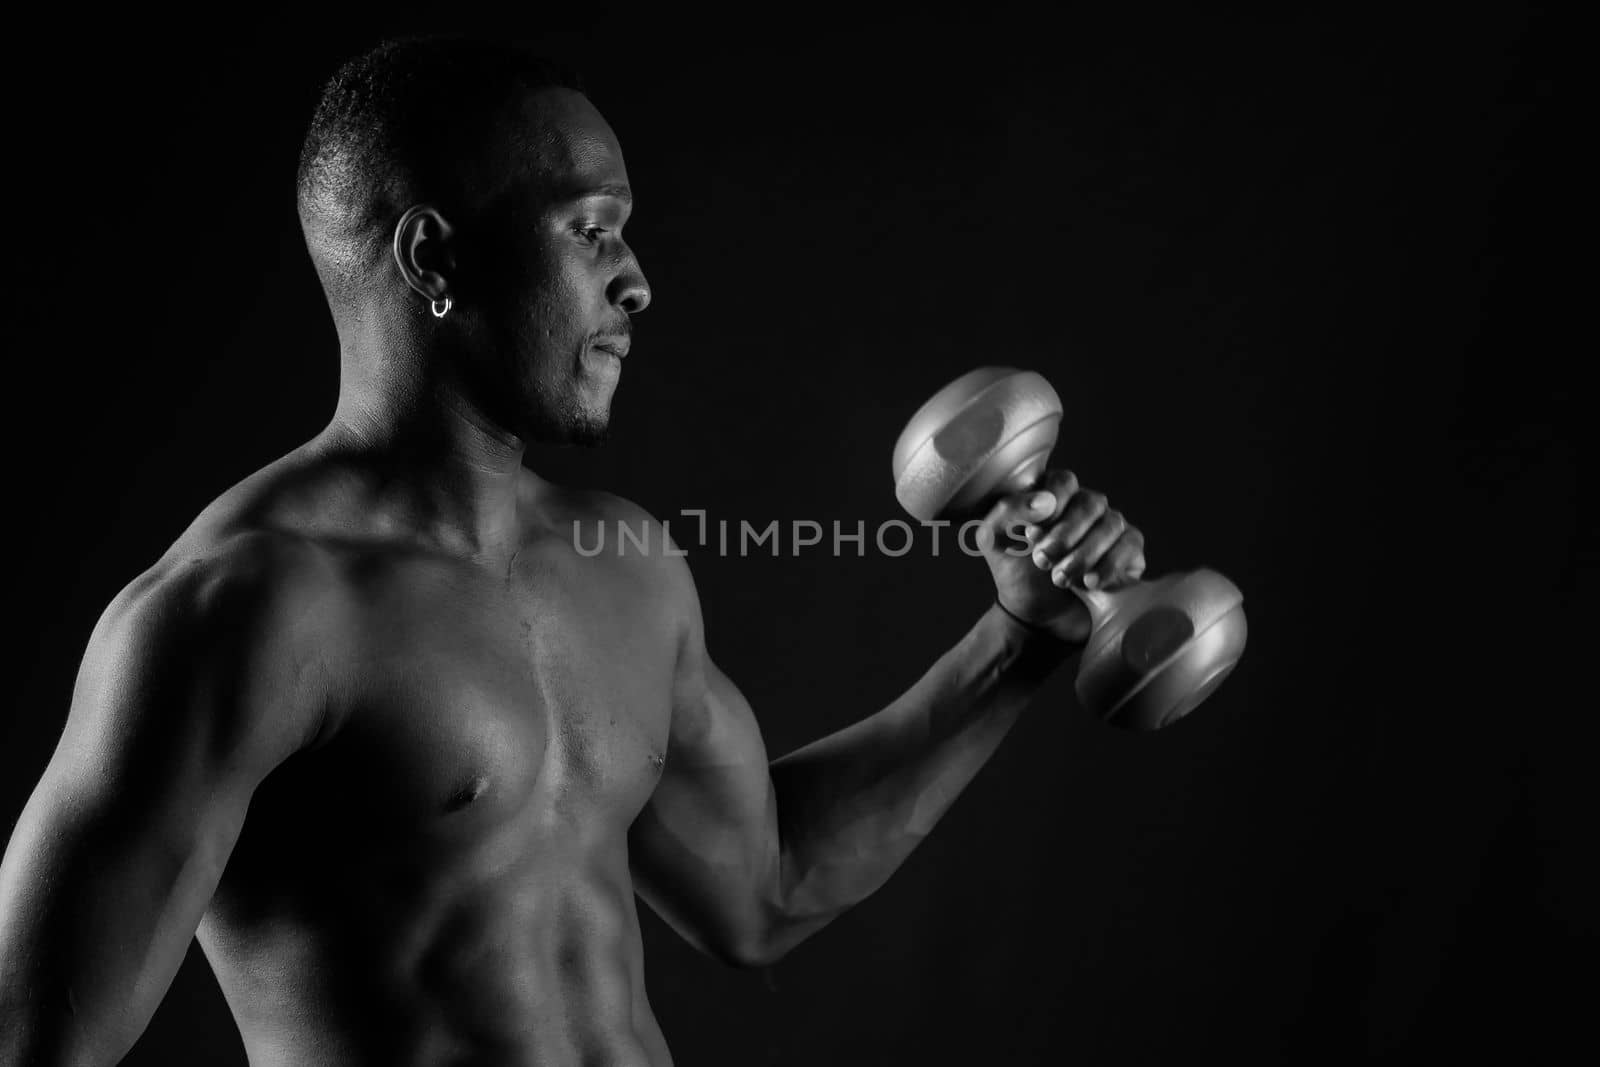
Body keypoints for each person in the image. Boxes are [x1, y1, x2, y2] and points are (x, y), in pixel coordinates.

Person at [0, 34, 1147, 1067]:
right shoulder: (240, 612)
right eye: (590, 229)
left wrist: (1019, 642)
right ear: (433, 259)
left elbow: (767, 887)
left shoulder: (625, 563)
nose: (636, 279)